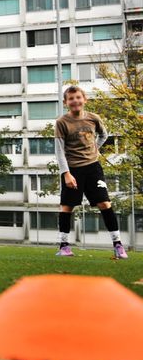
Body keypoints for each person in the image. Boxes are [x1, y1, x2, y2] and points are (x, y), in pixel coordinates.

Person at [55, 84, 127, 260]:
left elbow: (104, 135)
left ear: (84, 99)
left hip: (93, 168)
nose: (75, 101)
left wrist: (96, 149)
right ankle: (64, 246)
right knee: (67, 206)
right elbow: (59, 150)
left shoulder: (94, 118)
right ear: (66, 102)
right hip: (72, 169)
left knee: (105, 204)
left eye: (78, 97)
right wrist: (66, 174)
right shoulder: (61, 122)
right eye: (71, 98)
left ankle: (118, 245)